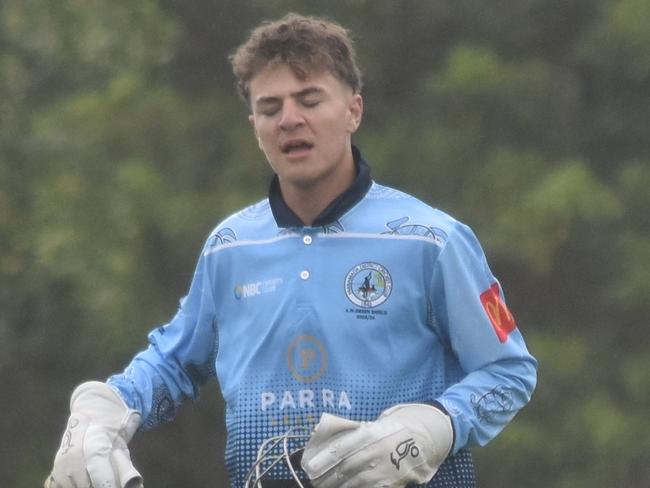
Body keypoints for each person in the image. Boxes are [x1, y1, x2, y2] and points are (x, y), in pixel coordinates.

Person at [45, 13, 537, 488]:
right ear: (254, 124)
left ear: (353, 111)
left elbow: (509, 370)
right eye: (270, 107)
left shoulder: (431, 239)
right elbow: (173, 363)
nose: (289, 120)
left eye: (309, 99)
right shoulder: (230, 247)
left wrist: (437, 426)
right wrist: (106, 406)